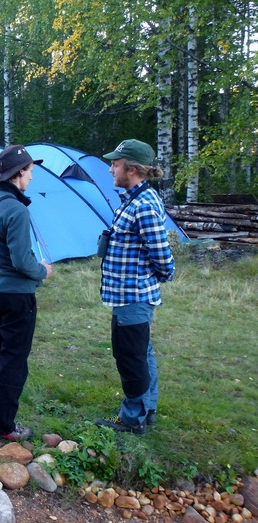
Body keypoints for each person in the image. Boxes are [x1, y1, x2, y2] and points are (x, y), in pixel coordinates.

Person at [0, 144, 52, 442]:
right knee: (15, 358)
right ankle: (2, 425)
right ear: (17, 174)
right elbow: (22, 260)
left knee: (4, 348)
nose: (31, 176)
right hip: (17, 294)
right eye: (29, 171)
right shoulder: (16, 209)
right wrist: (42, 270)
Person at [95, 139, 175, 434]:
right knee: (142, 352)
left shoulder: (142, 204)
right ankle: (146, 408)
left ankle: (132, 419)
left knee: (131, 356)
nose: (110, 168)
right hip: (128, 296)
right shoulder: (133, 198)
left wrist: (155, 278)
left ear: (131, 169)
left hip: (133, 296)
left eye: (115, 164)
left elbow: (162, 255)